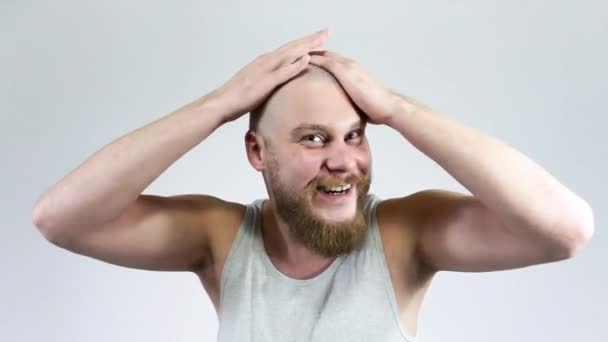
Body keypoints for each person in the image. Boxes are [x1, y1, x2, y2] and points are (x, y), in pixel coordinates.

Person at [32, 28, 594, 341]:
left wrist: (397, 109)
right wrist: (220, 105)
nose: (344, 161)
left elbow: (565, 229)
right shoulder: (222, 239)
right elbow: (59, 218)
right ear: (258, 152)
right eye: (314, 139)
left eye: (355, 135)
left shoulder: (402, 235)